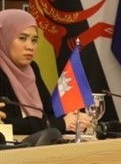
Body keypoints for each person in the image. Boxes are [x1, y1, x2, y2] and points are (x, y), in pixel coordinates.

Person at [0, 8, 90, 136]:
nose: (30, 47)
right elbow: (6, 123)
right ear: (4, 37)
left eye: (34, 40)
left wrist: (74, 120)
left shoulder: (32, 68)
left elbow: (50, 113)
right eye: (22, 38)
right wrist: (61, 124)